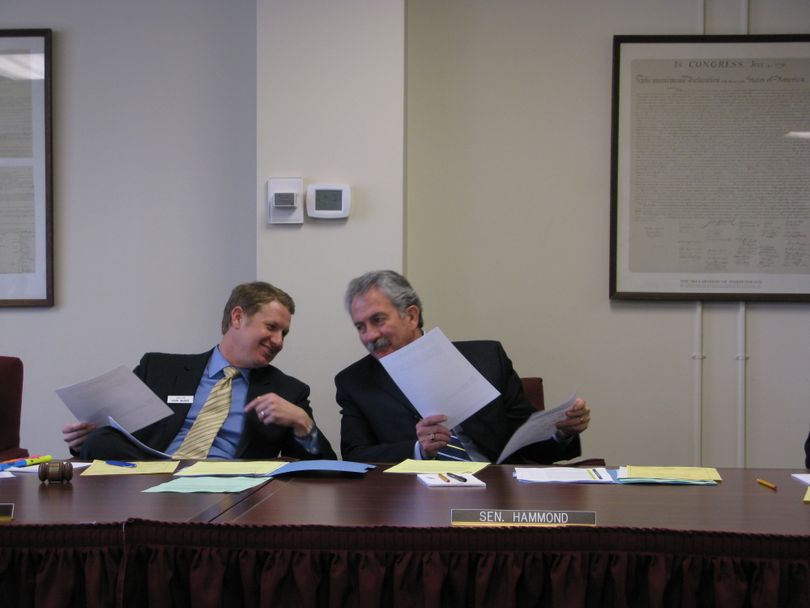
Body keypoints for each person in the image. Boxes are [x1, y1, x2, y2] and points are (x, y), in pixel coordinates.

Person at [335, 270, 590, 463]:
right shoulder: (355, 382)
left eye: (378, 320)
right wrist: (418, 451)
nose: (369, 336)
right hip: (413, 502)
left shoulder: (488, 359)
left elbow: (524, 442)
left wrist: (560, 432)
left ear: (411, 316)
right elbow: (355, 456)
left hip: (496, 495)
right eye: (360, 327)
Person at [62, 281, 336, 460]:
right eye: (272, 327)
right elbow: (118, 436)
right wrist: (82, 439)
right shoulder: (159, 369)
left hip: (228, 487)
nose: (278, 341)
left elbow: (324, 467)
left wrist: (303, 423)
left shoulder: (288, 391)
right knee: (101, 439)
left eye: (284, 333)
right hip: (152, 475)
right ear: (238, 317)